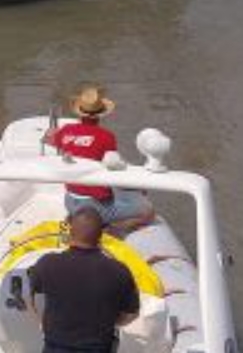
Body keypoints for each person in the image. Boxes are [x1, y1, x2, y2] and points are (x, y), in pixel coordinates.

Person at [28, 207, 140, 353]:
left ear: (70, 233)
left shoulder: (47, 264)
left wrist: (41, 323)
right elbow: (132, 314)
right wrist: (111, 321)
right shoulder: (119, 271)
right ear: (100, 237)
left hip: (54, 347)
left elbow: (27, 295)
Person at [47, 86, 156, 232]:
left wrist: (56, 136)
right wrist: (138, 187)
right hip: (95, 206)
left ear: (80, 113)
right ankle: (115, 227)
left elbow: (50, 140)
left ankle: (75, 218)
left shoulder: (66, 131)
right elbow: (113, 166)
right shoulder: (106, 137)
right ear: (100, 114)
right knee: (148, 212)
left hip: (70, 201)